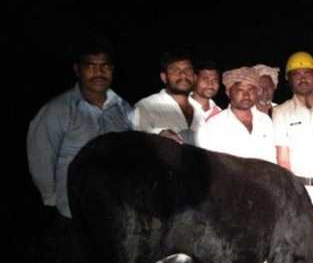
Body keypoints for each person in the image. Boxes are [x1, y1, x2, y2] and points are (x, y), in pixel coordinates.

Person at [27, 37, 132, 218]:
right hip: (72, 213)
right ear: (77, 70)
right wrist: (53, 201)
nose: (99, 72)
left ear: (112, 70)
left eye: (105, 66)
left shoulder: (123, 108)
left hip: (117, 212)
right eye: (91, 66)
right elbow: (41, 157)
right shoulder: (57, 110)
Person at [273, 52, 313, 230]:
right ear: (289, 80)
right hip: (300, 189)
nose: (302, 79)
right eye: (296, 74)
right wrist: (292, 193)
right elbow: (283, 159)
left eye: (307, 74)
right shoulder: (280, 112)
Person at [196, 66, 275, 163]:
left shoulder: (265, 121)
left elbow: (273, 159)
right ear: (229, 92)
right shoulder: (214, 126)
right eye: (240, 90)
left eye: (251, 90)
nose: (246, 95)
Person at [131, 50, 201, 144]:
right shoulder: (145, 106)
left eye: (188, 70)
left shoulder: (200, 110)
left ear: (195, 77)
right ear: (164, 77)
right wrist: (159, 133)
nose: (183, 74)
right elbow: (134, 140)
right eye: (175, 70)